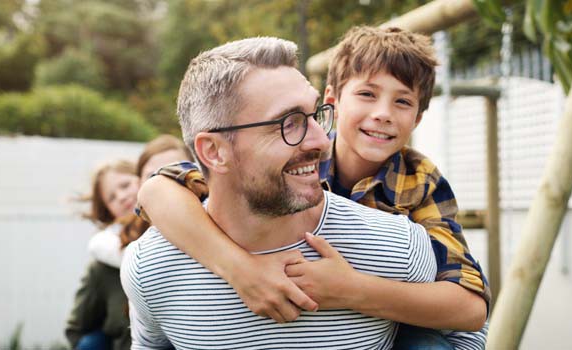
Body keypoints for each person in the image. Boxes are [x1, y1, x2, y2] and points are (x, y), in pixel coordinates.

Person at [136, 27, 489, 349]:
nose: (383, 113)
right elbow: (158, 191)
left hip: (395, 318)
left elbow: (470, 308)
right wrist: (238, 268)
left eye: (402, 101)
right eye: (367, 94)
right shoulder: (298, 154)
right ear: (332, 100)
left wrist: (350, 290)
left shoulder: (420, 181)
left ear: (417, 118)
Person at [66, 135, 193, 350]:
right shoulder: (104, 257)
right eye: (112, 198)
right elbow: (77, 330)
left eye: (125, 185)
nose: (123, 196)